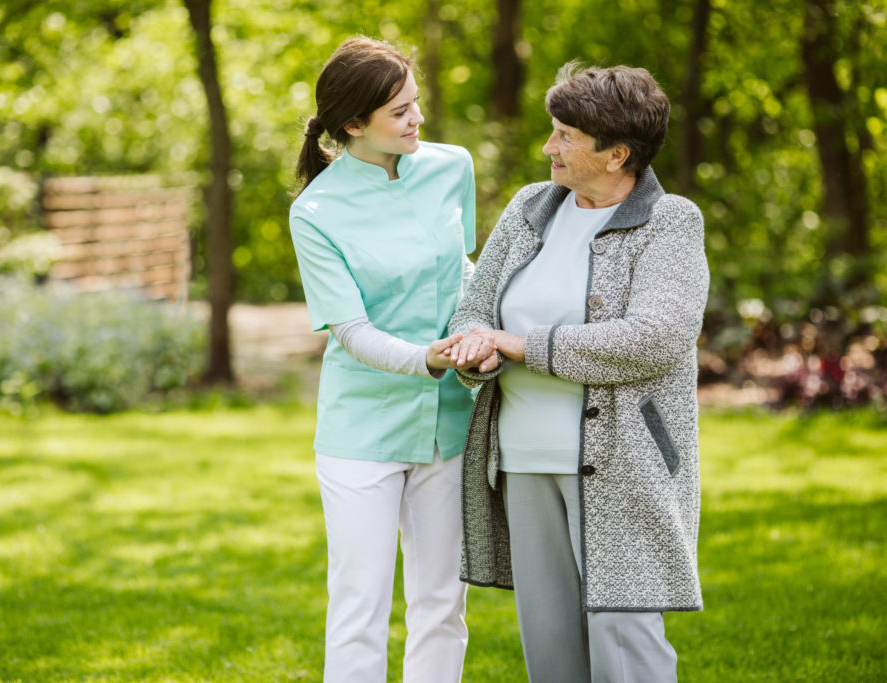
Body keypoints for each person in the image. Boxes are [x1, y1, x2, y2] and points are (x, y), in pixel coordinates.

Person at [446, 61, 709, 682]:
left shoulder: (671, 222)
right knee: (551, 645)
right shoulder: (531, 206)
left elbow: (654, 338)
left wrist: (520, 345)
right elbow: (476, 307)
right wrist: (476, 345)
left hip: (625, 465)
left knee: (625, 644)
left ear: (617, 153)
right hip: (523, 458)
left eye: (565, 135)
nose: (549, 147)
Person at [288, 37, 491, 683]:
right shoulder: (315, 211)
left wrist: (476, 339)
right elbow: (350, 328)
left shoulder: (452, 166)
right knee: (360, 606)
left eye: (417, 102)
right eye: (400, 111)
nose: (417, 120)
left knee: (442, 603)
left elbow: (463, 271)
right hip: (362, 431)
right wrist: (427, 359)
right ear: (353, 124)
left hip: (450, 417)